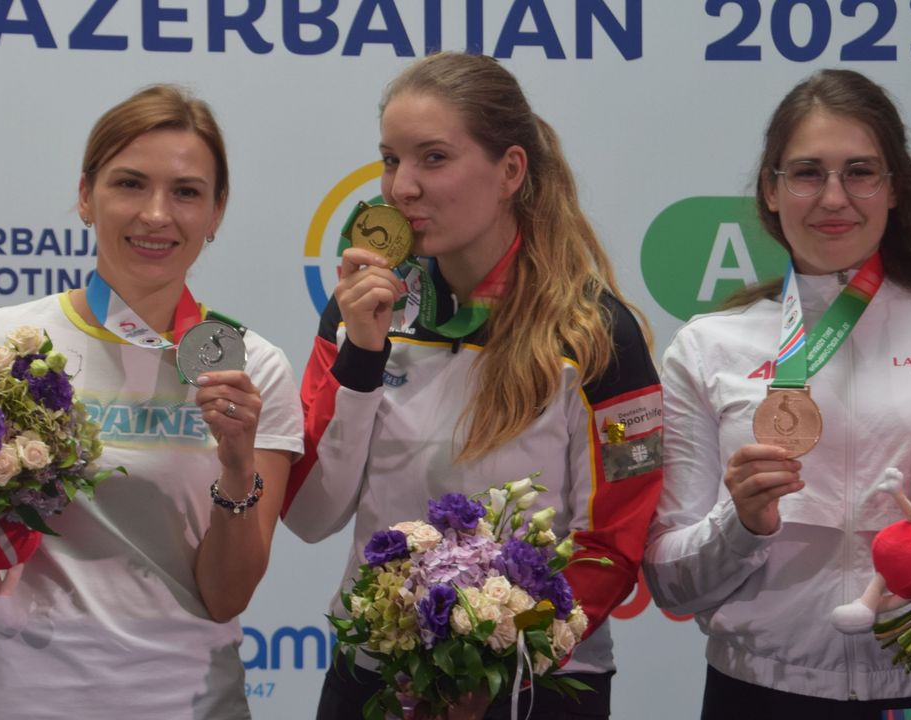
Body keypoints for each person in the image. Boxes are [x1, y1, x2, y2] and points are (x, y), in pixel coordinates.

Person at [642, 69, 911, 719]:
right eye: (807, 172)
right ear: (770, 192)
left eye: (860, 171)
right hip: (762, 693)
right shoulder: (707, 347)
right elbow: (670, 582)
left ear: (895, 190)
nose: (834, 197)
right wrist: (740, 523)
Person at [283, 52, 662, 720]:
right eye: (391, 160)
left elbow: (609, 548)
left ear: (511, 170)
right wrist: (363, 359)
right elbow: (310, 516)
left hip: (533, 684)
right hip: (374, 679)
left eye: (433, 158)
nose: (402, 187)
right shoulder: (361, 312)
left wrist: (494, 655)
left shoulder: (598, 334)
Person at [0, 85, 303, 719]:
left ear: (217, 212)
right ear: (86, 196)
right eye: (129, 184)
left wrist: (236, 463)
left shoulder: (253, 368)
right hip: (24, 696)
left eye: (187, 192)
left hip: (187, 702)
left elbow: (227, 596)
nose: (155, 214)